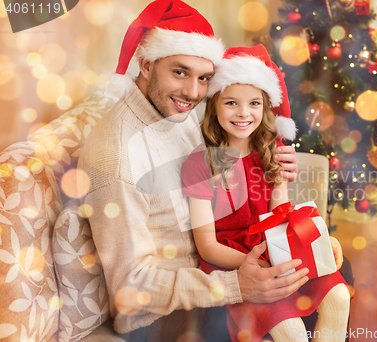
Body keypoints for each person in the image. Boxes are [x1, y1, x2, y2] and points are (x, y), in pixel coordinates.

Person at [77, 0, 338, 340]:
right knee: (288, 308)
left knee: (329, 268)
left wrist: (274, 159)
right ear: (144, 64)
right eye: (180, 72)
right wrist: (236, 285)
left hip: (213, 265)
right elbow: (132, 287)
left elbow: (230, 146)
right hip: (167, 315)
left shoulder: (175, 112)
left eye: (204, 79)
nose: (193, 92)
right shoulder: (116, 157)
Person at [181, 45, 350, 342]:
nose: (244, 113)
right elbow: (207, 246)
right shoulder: (200, 164)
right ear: (214, 105)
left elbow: (280, 214)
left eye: (254, 104)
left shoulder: (271, 153)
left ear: (265, 106)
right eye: (231, 102)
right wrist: (258, 267)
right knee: (292, 332)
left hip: (273, 247)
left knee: (339, 297)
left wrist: (317, 240)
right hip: (232, 259)